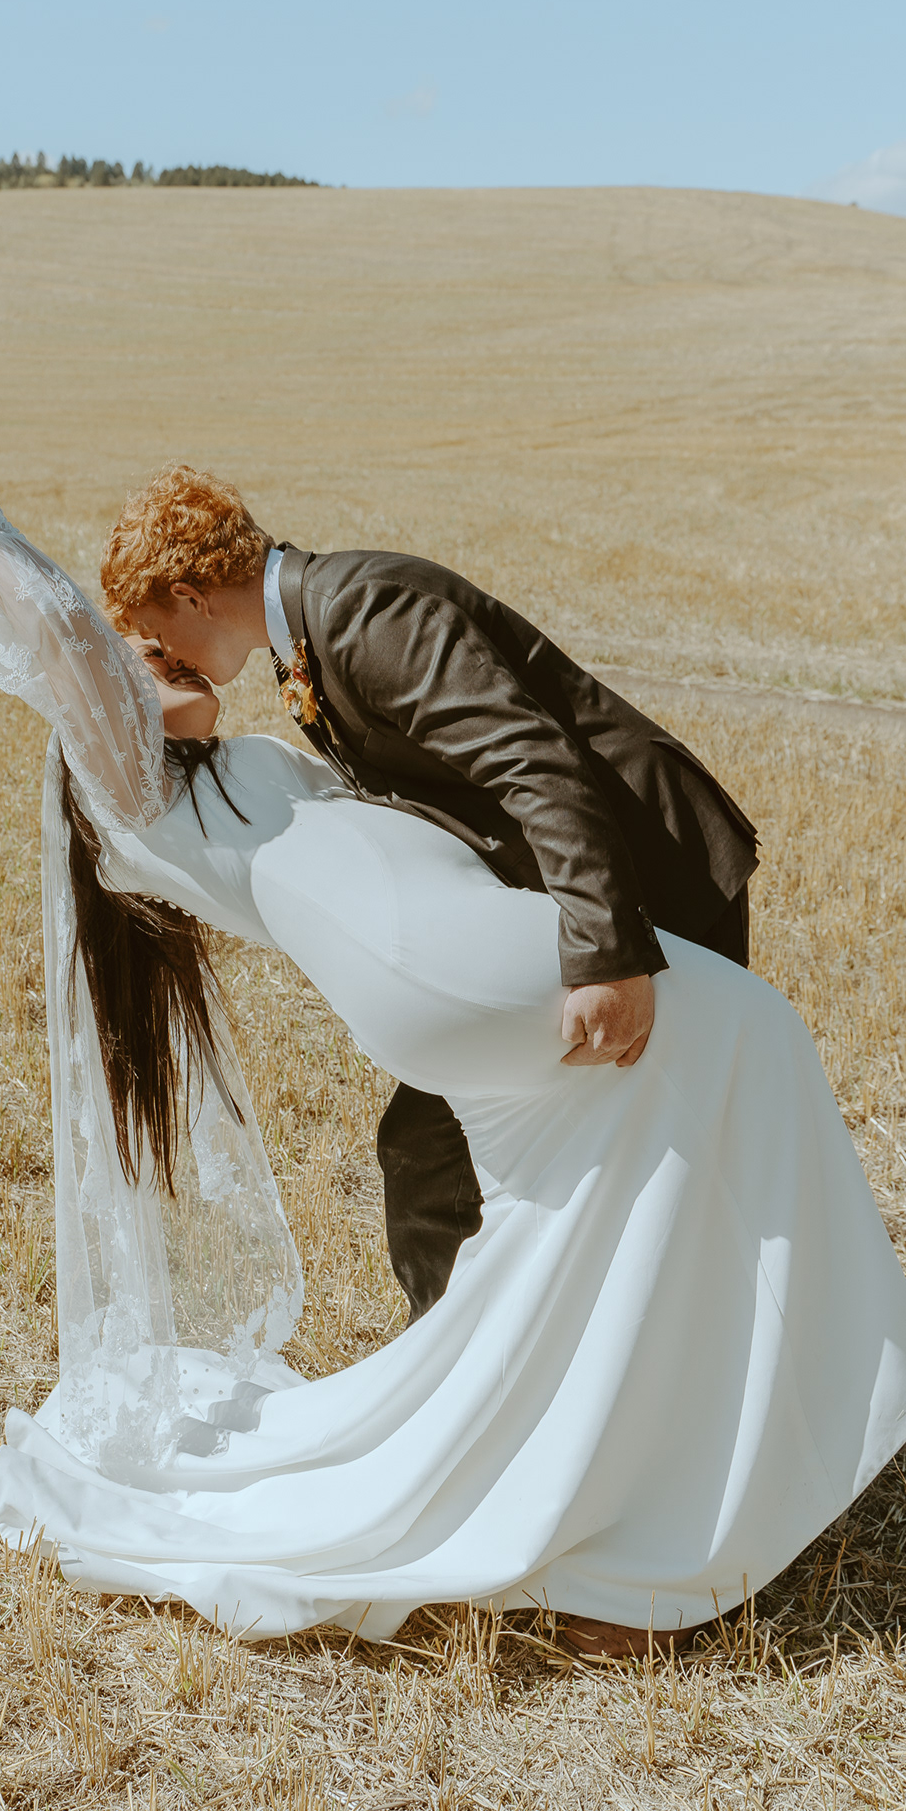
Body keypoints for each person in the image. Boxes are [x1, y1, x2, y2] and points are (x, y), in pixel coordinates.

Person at [0, 460, 906, 1657]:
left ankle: (602, 1485)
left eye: (149, 640)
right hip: (451, 966)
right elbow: (59, 637)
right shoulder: (129, 792)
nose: (142, 661)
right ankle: (751, 1445)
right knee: (749, 1041)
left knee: (596, 1202)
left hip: (446, 969)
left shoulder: (258, 716)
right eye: (129, 666)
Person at [109, 467, 760, 1322]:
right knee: (438, 1150)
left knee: (695, 1153)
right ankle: (466, 1370)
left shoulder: (364, 611)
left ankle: (849, 1378)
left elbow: (536, 764)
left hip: (652, 877)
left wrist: (609, 958)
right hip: (581, 890)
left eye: (161, 636)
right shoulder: (308, 633)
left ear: (193, 596)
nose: (170, 660)